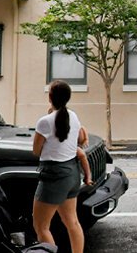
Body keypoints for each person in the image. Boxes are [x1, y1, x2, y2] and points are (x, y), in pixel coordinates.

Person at [31, 80, 93, 252]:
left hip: (53, 174)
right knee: (72, 221)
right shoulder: (73, 116)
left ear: (50, 97)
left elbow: (36, 150)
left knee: (41, 226)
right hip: (72, 172)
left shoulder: (44, 121)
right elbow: (80, 139)